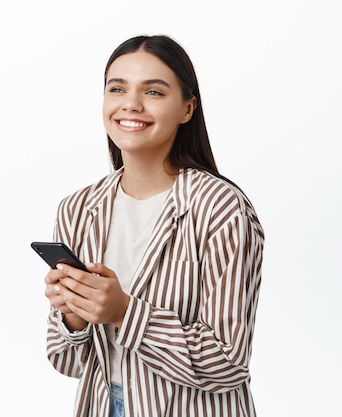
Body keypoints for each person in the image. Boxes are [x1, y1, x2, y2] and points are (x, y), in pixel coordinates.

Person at [43, 34, 264, 417]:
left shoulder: (220, 208)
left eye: (154, 92)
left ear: (187, 109)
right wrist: (75, 316)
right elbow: (67, 363)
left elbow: (228, 361)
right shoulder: (77, 209)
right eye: (117, 88)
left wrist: (123, 311)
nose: (131, 104)